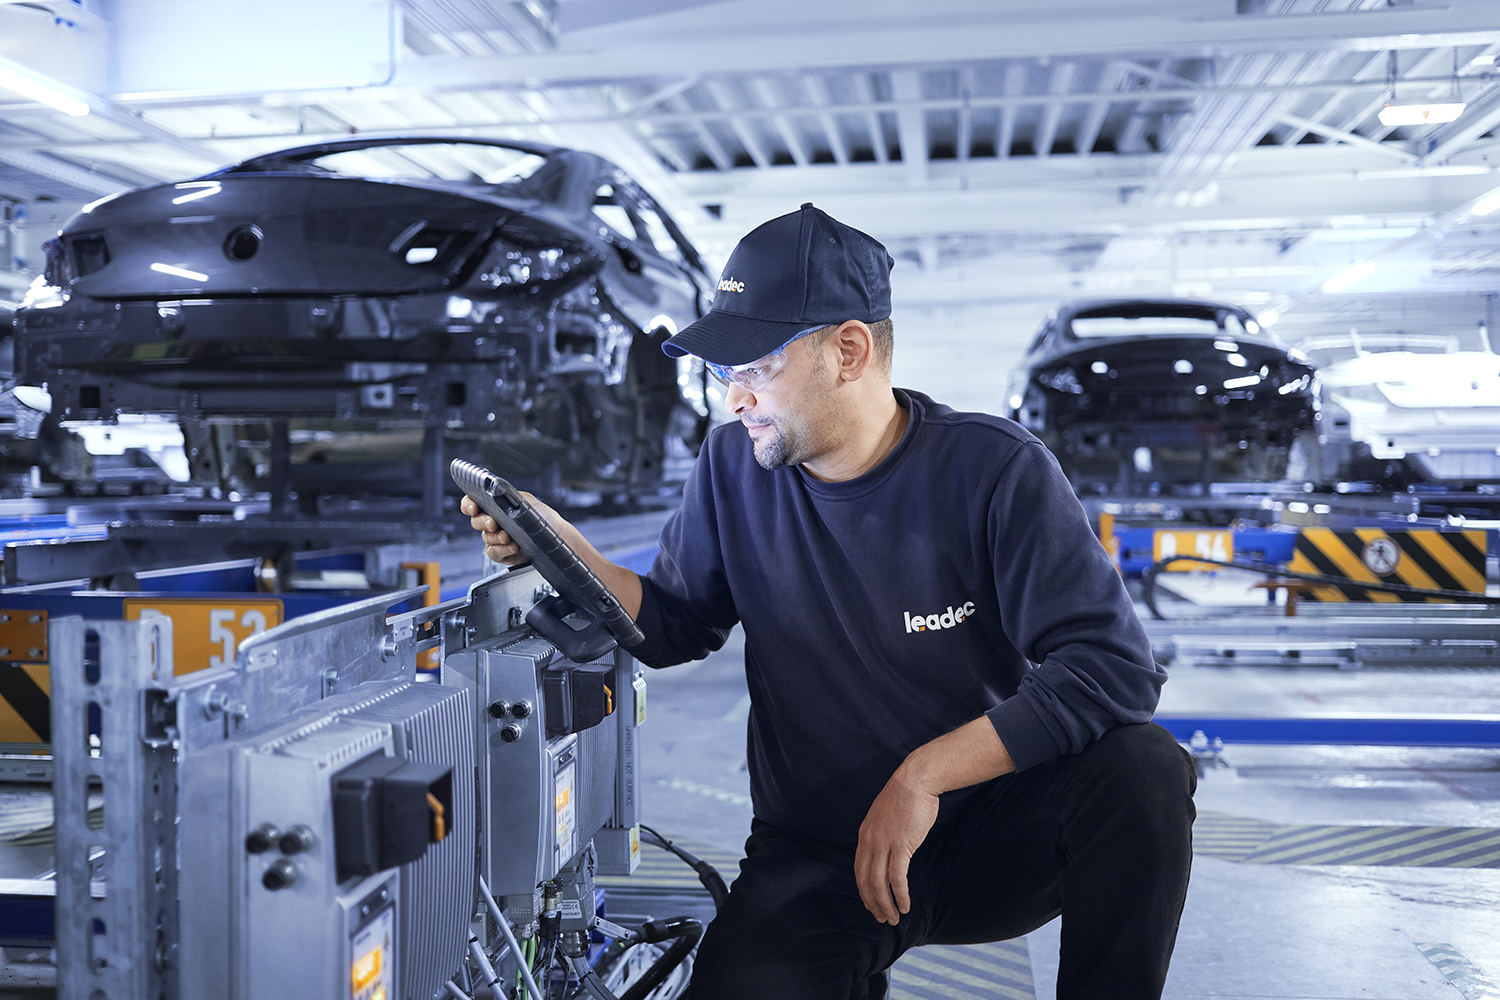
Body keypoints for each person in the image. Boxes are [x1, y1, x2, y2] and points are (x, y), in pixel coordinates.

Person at [463, 203, 1197, 1000]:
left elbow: (1112, 670)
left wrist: (924, 776)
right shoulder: (730, 469)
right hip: (821, 854)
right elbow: (673, 620)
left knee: (1144, 773)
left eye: (755, 366)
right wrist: (563, 547)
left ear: (848, 351)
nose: (735, 397)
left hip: (991, 831)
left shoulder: (995, 472)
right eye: (724, 371)